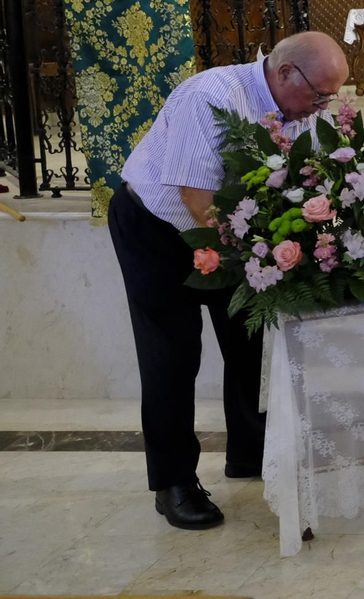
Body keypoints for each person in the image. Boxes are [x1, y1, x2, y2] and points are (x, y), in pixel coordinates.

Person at [110, 32, 349, 530]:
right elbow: (198, 199)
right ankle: (173, 482)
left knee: (250, 338)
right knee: (172, 354)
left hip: (236, 231)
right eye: (319, 94)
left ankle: (251, 451)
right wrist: (264, 252)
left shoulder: (304, 106)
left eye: (331, 96)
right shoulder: (211, 97)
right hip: (160, 227)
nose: (323, 105)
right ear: (285, 73)